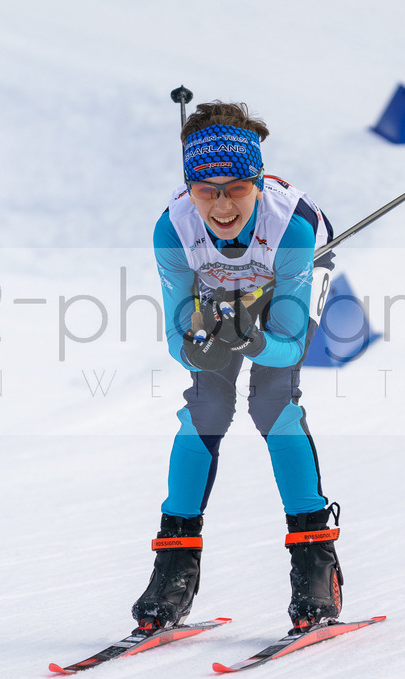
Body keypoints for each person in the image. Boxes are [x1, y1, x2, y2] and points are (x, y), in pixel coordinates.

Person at [132, 101, 344, 635]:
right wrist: (195, 348)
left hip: (288, 283)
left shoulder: (293, 227)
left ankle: (315, 562)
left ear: (256, 182)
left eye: (236, 189)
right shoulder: (172, 229)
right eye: (206, 189)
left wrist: (251, 340)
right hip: (219, 291)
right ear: (189, 189)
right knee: (205, 407)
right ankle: (174, 569)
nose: (222, 205)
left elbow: (290, 342)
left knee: (274, 405)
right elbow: (174, 332)